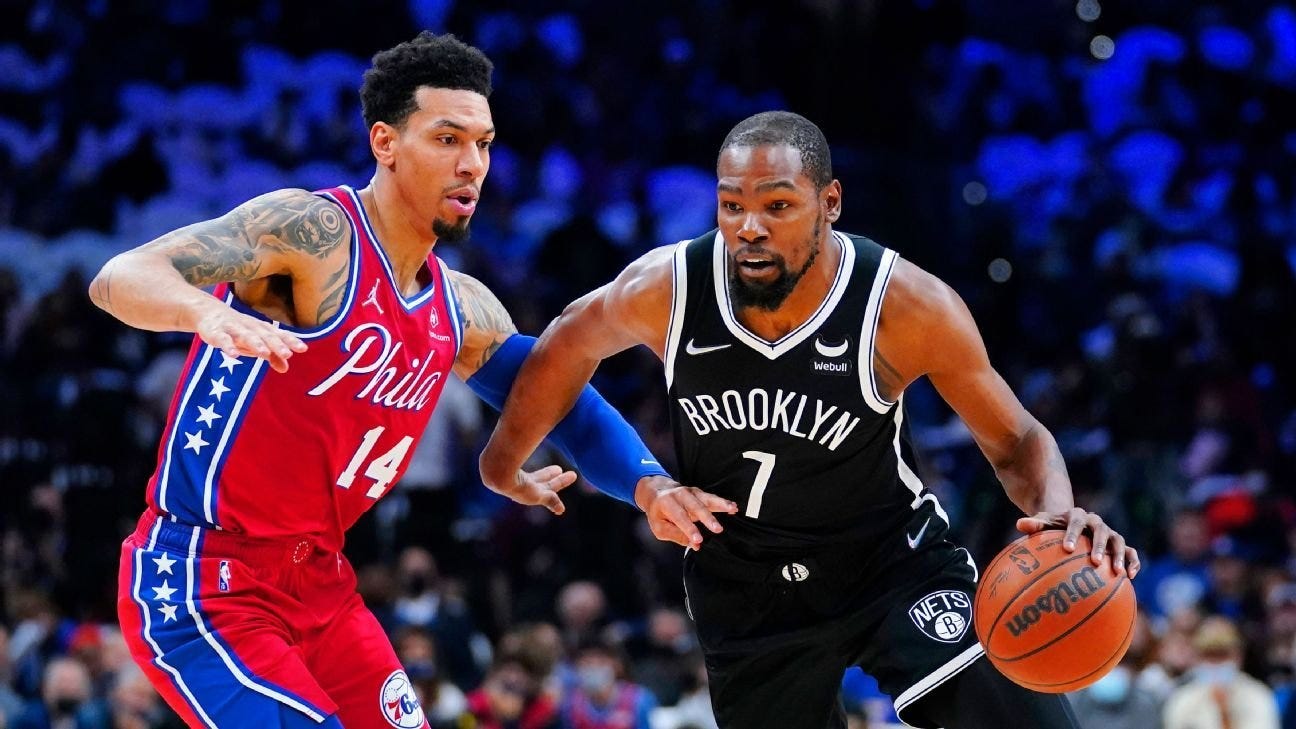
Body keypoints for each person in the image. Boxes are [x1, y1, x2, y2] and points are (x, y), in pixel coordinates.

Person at [88, 32, 729, 729]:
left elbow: (557, 396)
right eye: (448, 139)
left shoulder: (461, 307)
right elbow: (121, 275)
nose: (472, 164)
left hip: (320, 583)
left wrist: (649, 486)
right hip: (202, 579)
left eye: (483, 144)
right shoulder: (314, 235)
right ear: (385, 142)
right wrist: (204, 312)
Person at [479, 111, 1141, 729]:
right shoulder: (669, 287)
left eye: (777, 205)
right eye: (731, 205)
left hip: (888, 560)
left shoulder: (903, 305)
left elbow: (1017, 439)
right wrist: (504, 462)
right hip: (745, 587)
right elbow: (561, 347)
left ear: (830, 202)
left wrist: (1059, 514)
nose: (750, 227)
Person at [1163, 617, 1278, 729]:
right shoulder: (1182, 700)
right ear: (1197, 657)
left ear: (1238, 656)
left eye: (1222, 655)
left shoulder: (1258, 696)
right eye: (1209, 655)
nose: (1215, 663)